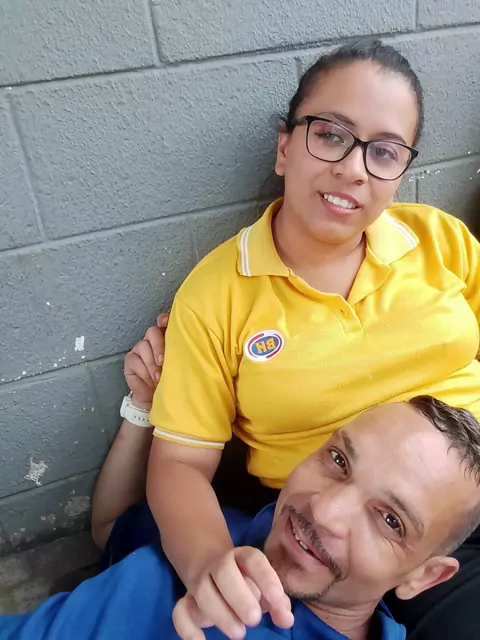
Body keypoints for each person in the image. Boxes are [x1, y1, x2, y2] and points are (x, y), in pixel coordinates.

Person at [91, 40, 480, 639]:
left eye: (384, 151)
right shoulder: (219, 293)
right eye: (330, 135)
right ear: (284, 147)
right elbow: (180, 464)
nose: (354, 168)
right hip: (384, 535)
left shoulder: (437, 239)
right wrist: (208, 562)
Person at [5, 398, 480, 640]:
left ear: (425, 576)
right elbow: (111, 529)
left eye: (390, 521)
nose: (323, 511)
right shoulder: (232, 526)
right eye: (338, 460)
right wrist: (142, 408)